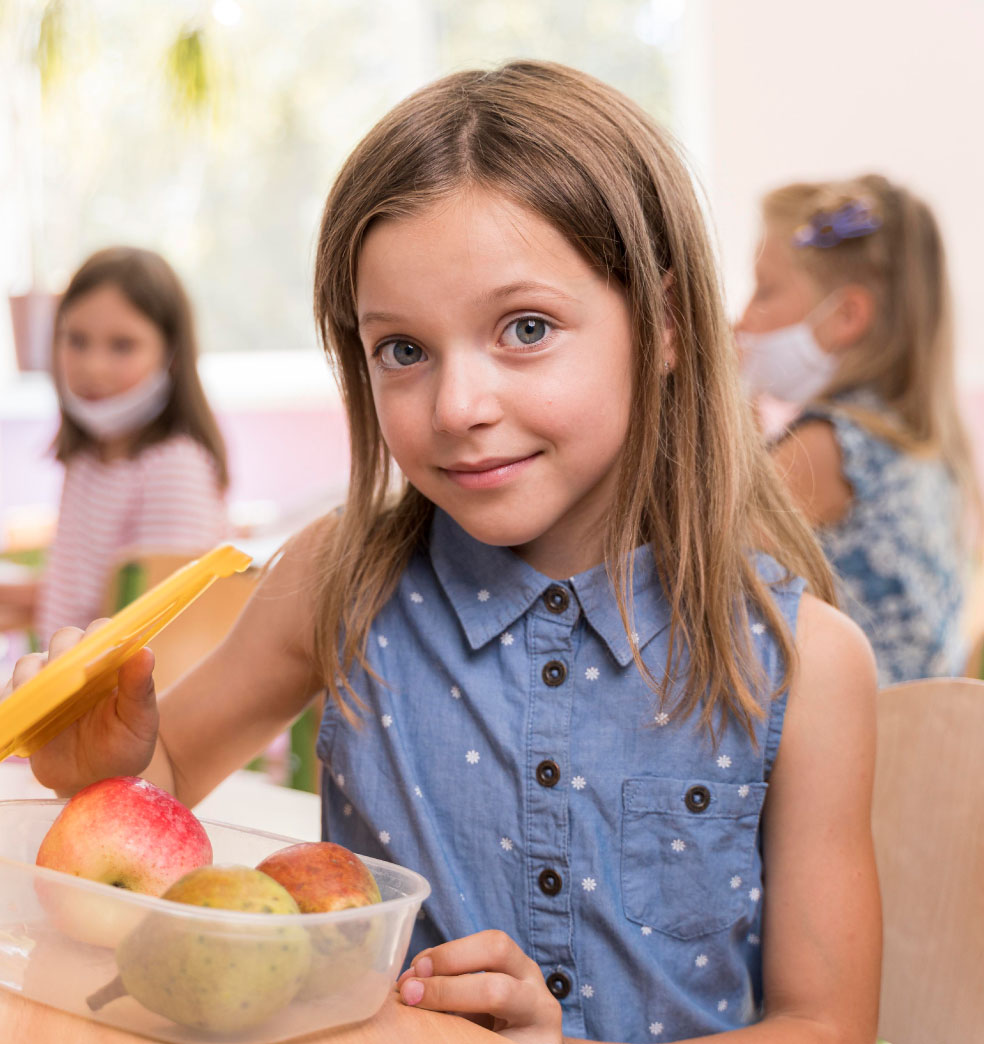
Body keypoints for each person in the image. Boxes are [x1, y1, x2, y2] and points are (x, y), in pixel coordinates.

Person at [4, 63, 880, 1043]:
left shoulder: (804, 663)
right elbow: (155, 817)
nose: (458, 407)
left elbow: (828, 1026)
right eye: (404, 350)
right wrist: (105, 775)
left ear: (666, 324)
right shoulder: (341, 580)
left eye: (527, 329)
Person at [736, 175, 980, 685]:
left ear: (847, 316)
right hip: (920, 729)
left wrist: (720, 409)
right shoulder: (913, 444)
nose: (741, 321)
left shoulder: (831, 446)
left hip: (861, 730)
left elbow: (696, 564)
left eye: (765, 291)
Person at [0, 247, 229, 645]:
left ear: (172, 355)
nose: (93, 367)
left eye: (122, 345)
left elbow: (161, 632)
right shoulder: (88, 460)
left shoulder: (174, 469)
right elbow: (86, 593)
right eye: (76, 340)